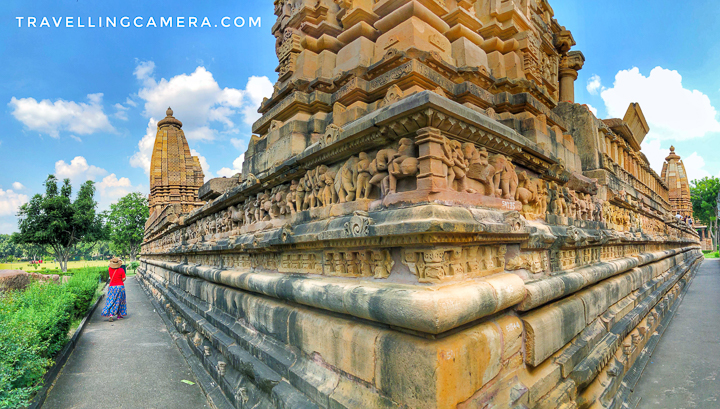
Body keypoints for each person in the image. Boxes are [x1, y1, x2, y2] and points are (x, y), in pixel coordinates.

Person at [101, 257, 127, 322]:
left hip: (112, 287)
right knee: (120, 301)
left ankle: (111, 315)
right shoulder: (121, 270)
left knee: (111, 300)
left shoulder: (109, 269)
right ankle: (119, 315)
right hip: (120, 287)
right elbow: (124, 278)